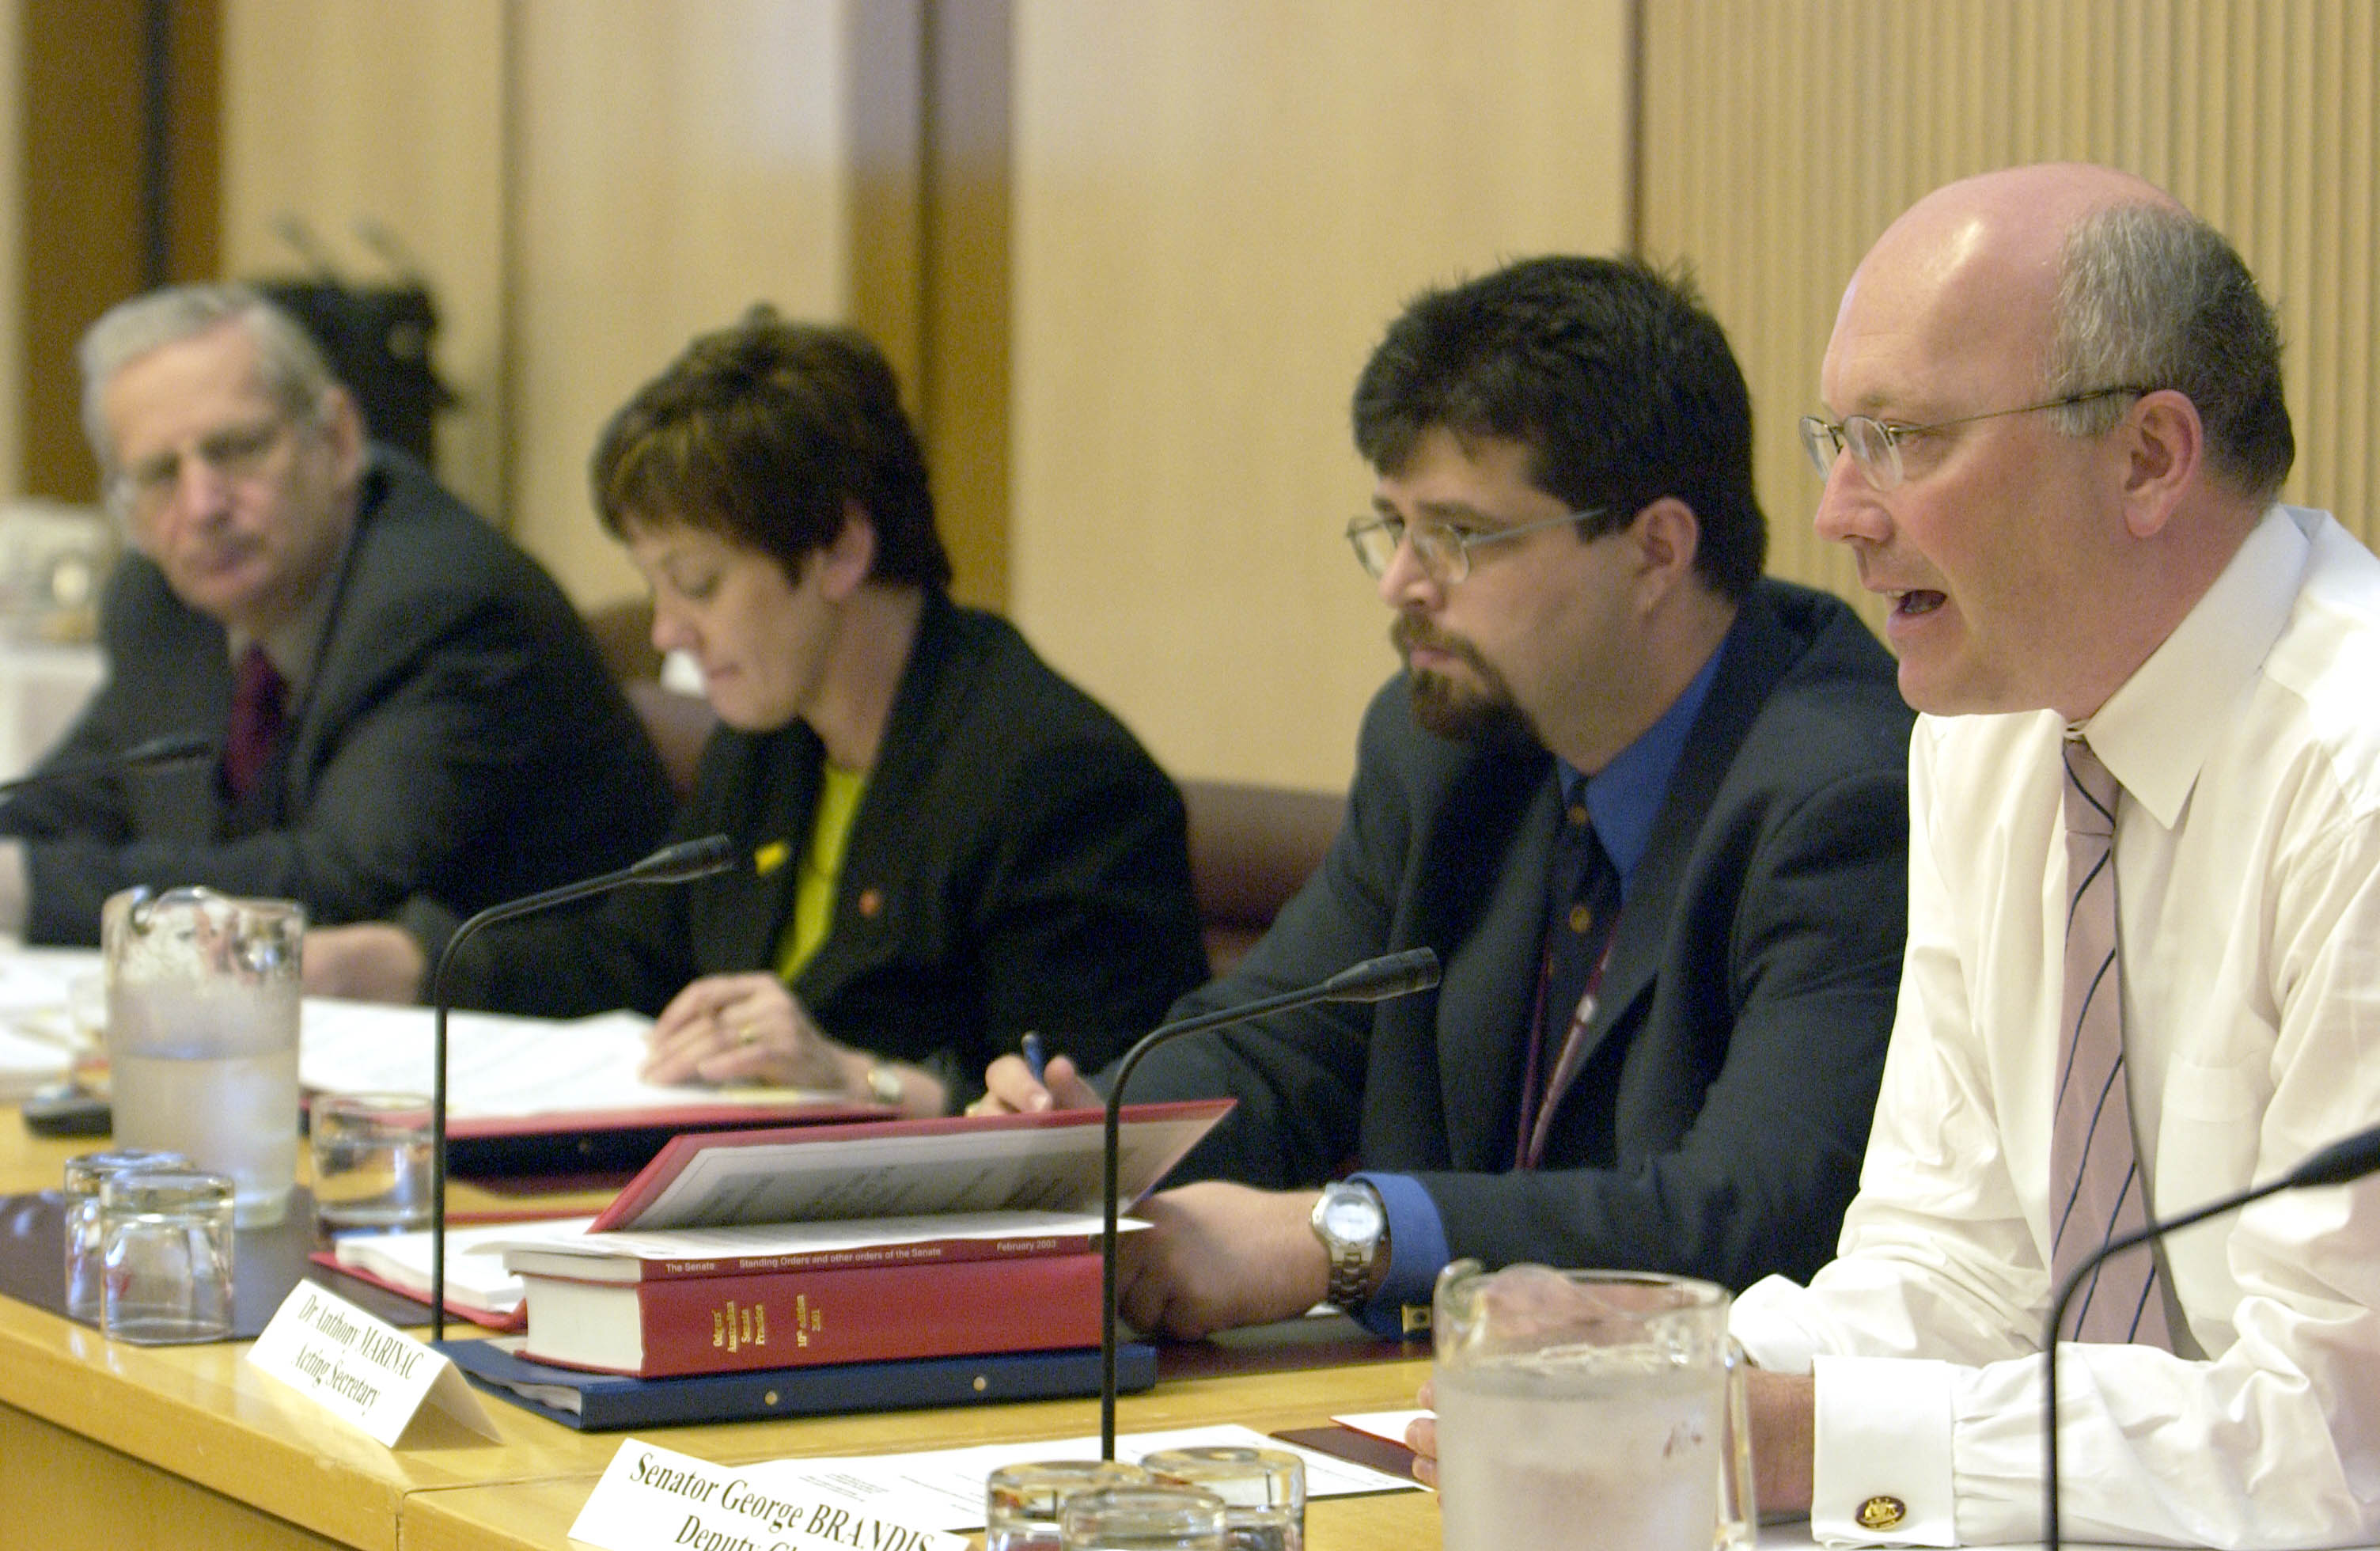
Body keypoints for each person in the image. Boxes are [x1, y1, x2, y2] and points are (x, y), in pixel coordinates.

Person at [1411, 165, 2380, 1545]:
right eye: (1837, 443)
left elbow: (2338, 1447)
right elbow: (1955, 1268)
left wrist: (1800, 1442)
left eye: (1904, 440)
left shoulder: (2355, 775)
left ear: (2148, 458)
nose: (1840, 514)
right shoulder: (1989, 737)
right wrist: (1667, 1375)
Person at [980, 256, 1914, 1338]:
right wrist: (1090, 1136)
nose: (1401, 583)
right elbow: (1276, 1045)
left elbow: (1753, 1214)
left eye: (1458, 537)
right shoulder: (1442, 749)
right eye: (1395, 527)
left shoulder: (1841, 796)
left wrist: (1342, 1239)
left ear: (1655, 550)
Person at [306, 309, 1210, 1117]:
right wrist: (411, 961)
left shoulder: (1052, 776)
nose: (667, 631)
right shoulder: (769, 743)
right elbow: (634, 962)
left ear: (839, 549)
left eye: (698, 583)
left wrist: (863, 1081)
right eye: (655, 587)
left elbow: (1086, 1116)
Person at [0, 284, 675, 946]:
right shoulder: (162, 603)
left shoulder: (446, 606)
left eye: (236, 449)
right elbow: (87, 797)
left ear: (338, 440)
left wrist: (25, 887)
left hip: (534, 1005)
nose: (202, 506)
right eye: (158, 475)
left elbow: (336, 886)